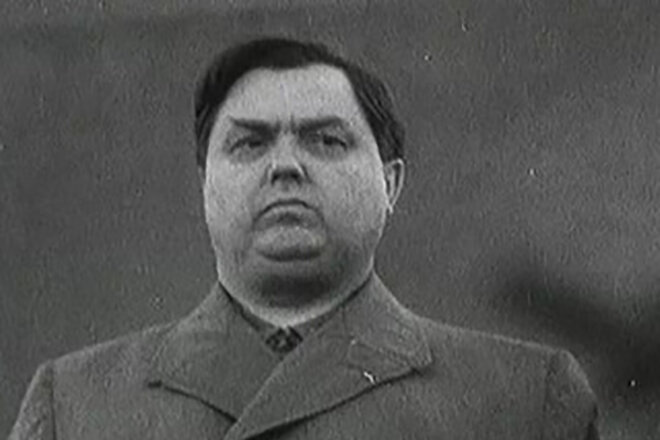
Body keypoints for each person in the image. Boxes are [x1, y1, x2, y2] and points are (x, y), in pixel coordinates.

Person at [9, 37, 599, 440]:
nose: (285, 166)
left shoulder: (527, 398)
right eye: (250, 143)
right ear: (205, 183)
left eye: (326, 141)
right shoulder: (75, 403)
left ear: (391, 184)